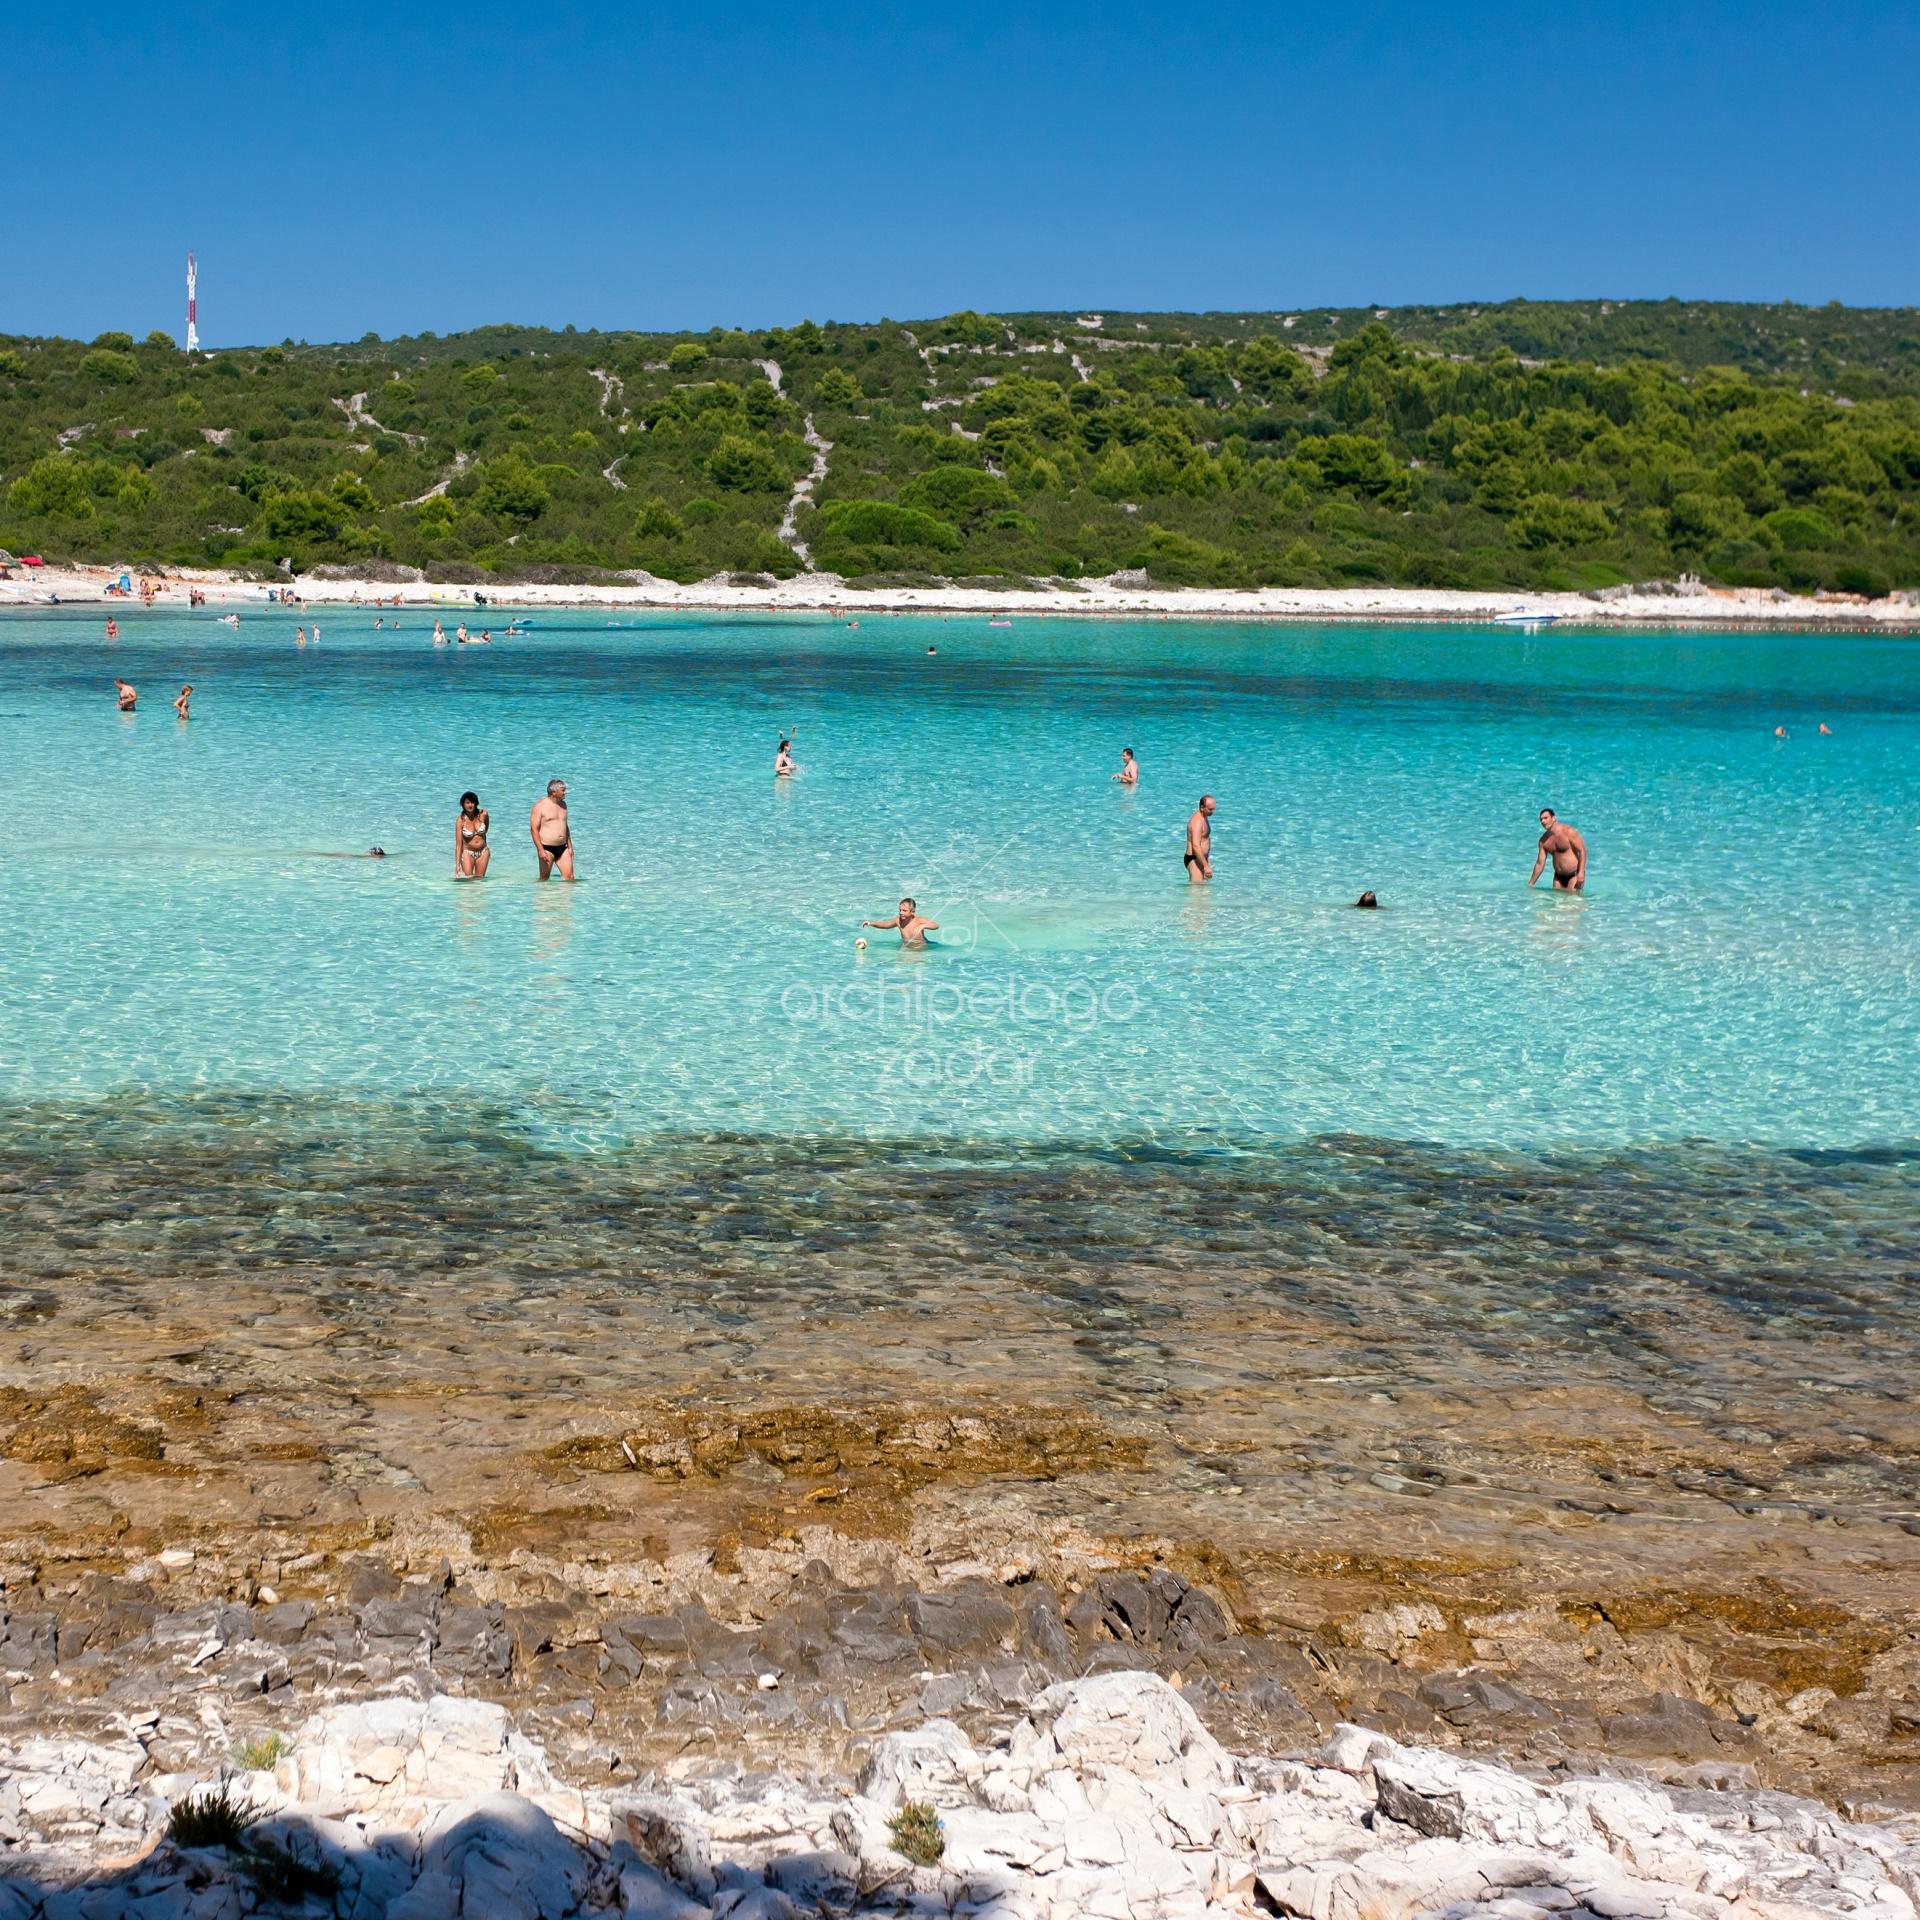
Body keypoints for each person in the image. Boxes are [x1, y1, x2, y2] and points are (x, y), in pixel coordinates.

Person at [1530, 808, 1587, 891]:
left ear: (1554, 818)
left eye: (1546, 818)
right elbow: (1540, 864)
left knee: (1572, 901)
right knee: (1556, 902)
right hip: (1558, 877)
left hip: (1574, 874)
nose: (1543, 821)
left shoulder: (1568, 832)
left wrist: (1581, 872)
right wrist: (1531, 884)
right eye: (1541, 819)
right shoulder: (1543, 841)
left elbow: (1582, 851)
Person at [530, 778, 575, 880]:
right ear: (554, 792)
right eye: (563, 790)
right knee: (544, 879)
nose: (565, 792)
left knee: (570, 878)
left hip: (563, 848)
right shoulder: (539, 806)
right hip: (546, 848)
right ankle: (543, 896)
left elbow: (565, 826)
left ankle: (564, 896)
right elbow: (534, 829)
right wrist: (540, 850)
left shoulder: (563, 805)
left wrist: (570, 846)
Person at [863, 897, 939, 948]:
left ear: (912, 911)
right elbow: (886, 925)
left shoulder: (919, 920)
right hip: (907, 945)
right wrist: (871, 923)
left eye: (904, 910)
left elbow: (936, 925)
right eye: (900, 910)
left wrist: (923, 926)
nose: (901, 913)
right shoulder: (898, 920)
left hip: (921, 946)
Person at [455, 791, 490, 879]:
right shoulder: (460, 820)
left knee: (479, 880)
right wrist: (457, 866)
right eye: (467, 803)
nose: (470, 805)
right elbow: (458, 845)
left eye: (472, 802)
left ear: (476, 803)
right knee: (469, 881)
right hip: (467, 853)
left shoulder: (483, 814)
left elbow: (486, 830)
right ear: (463, 804)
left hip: (483, 852)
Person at [1184, 795, 1215, 883]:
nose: (1212, 812)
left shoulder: (1204, 817)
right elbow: (1196, 846)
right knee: (1197, 890)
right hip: (1194, 859)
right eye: (1210, 809)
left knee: (1204, 890)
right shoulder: (1197, 821)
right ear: (1202, 807)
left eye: (1213, 809)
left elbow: (1204, 840)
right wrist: (1206, 866)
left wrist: (1207, 861)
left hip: (1201, 858)